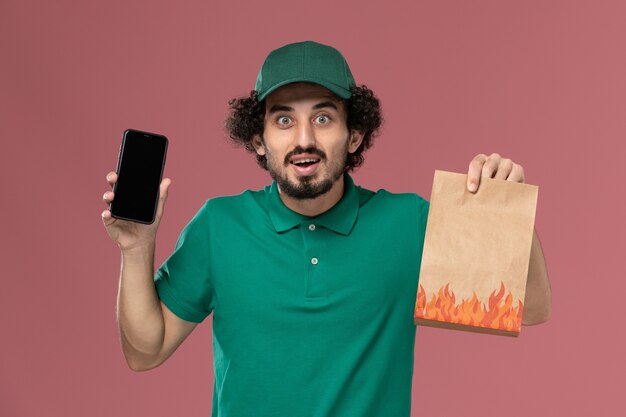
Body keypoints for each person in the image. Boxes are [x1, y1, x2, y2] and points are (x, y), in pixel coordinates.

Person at [101, 41, 551, 417]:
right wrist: (136, 248)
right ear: (258, 140)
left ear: (353, 135)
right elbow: (146, 351)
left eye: (322, 118)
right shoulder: (220, 226)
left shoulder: (406, 223)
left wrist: (509, 210)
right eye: (283, 120)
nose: (303, 140)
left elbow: (530, 308)